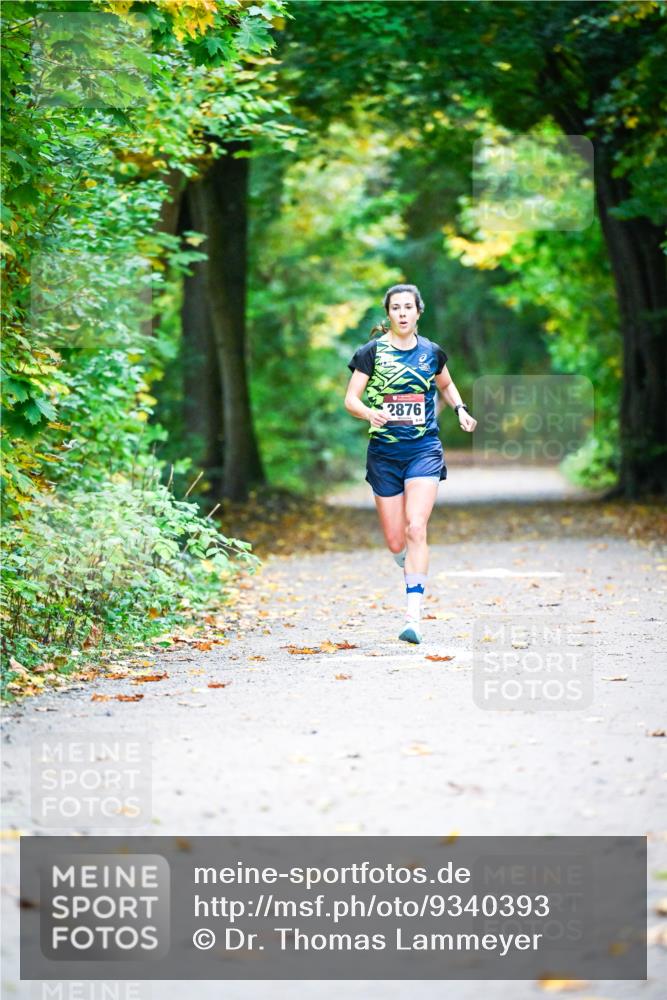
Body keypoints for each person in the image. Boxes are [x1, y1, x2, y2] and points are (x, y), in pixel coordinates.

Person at [344, 283, 477, 644]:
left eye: (408, 307)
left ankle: (413, 617)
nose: (402, 313)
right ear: (388, 314)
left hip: (423, 449)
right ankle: (407, 561)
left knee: (416, 528)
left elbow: (446, 386)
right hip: (385, 454)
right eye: (396, 308)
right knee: (394, 541)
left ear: (419, 312)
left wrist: (461, 410)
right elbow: (351, 400)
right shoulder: (371, 353)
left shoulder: (431, 352)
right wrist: (370, 412)